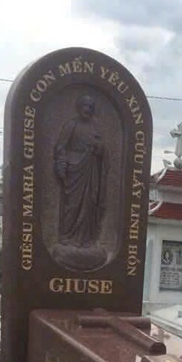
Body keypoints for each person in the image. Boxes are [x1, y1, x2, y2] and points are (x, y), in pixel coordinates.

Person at [53, 94, 106, 247]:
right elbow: (61, 147)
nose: (87, 109)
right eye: (85, 106)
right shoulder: (71, 125)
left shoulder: (95, 127)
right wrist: (62, 164)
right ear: (79, 107)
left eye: (90, 107)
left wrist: (98, 148)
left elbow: (103, 150)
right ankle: (67, 236)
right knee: (72, 205)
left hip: (91, 169)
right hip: (74, 170)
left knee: (90, 204)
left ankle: (85, 239)